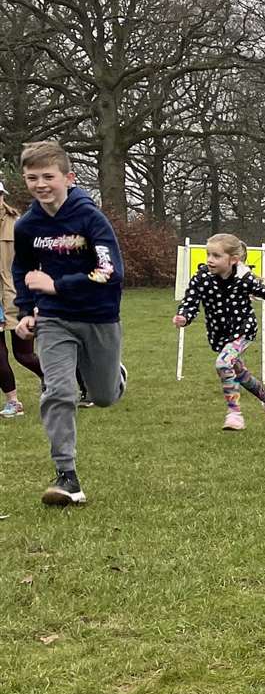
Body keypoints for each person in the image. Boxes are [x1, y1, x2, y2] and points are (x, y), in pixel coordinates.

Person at [10, 141, 127, 506]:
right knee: (58, 392)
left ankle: (115, 376)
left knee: (104, 396)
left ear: (68, 177)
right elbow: (22, 269)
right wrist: (27, 309)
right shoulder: (28, 225)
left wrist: (59, 284)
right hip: (54, 318)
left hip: (98, 316)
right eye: (32, 177)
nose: (41, 184)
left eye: (48, 176)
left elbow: (112, 272)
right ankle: (67, 477)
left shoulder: (90, 218)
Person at [173, 233, 265, 431]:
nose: (210, 260)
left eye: (216, 256)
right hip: (219, 334)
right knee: (239, 373)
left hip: (243, 330)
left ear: (233, 260)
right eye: (208, 255)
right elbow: (190, 301)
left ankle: (234, 414)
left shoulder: (243, 278)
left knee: (223, 363)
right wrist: (184, 316)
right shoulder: (201, 278)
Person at [1, 183, 45, 419]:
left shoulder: (19, 224)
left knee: (23, 354)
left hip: (17, 297)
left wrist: (35, 298)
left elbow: (31, 263)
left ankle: (51, 380)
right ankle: (13, 401)